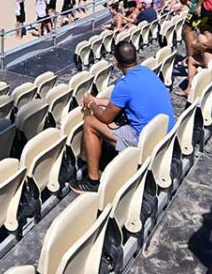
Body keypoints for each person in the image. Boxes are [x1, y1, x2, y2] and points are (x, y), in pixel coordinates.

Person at [71, 41, 175, 192]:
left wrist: (92, 104)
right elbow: (126, 101)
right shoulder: (147, 72)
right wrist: (99, 101)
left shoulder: (124, 84)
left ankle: (92, 181)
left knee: (90, 122)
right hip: (164, 133)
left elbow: (106, 118)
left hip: (146, 141)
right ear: (137, 58)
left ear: (116, 62)